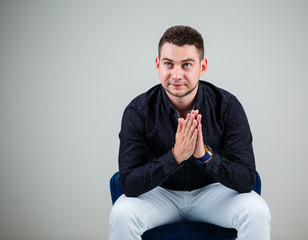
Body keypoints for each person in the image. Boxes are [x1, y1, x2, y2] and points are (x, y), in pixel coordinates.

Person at [109, 25, 271, 240]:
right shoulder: (138, 110)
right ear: (158, 65)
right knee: (121, 214)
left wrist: (205, 155)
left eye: (186, 65)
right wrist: (175, 157)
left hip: (213, 193)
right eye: (168, 64)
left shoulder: (227, 105)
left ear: (202, 66)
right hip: (160, 194)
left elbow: (247, 180)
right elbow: (128, 183)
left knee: (256, 211)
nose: (176, 75)